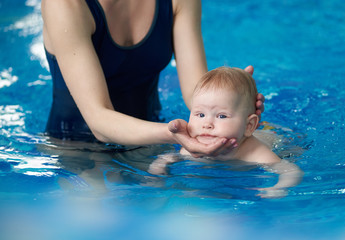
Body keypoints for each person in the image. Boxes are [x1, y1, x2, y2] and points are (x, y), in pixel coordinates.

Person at [41, 0, 265, 157]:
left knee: (277, 146)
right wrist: (174, 135)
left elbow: (195, 94)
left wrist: (233, 97)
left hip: (151, 140)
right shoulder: (64, 4)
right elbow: (98, 122)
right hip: (75, 148)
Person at [148, 67, 303, 198]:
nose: (207, 124)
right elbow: (167, 158)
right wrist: (159, 169)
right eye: (200, 115)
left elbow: (291, 171)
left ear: (249, 126)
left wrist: (277, 189)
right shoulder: (193, 146)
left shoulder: (255, 153)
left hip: (276, 140)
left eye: (221, 116)